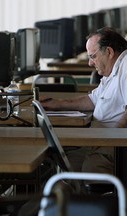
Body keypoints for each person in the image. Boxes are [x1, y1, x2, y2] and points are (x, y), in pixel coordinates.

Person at [40, 27, 127, 174]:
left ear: (109, 52)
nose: (90, 63)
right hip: (100, 140)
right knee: (63, 162)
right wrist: (58, 104)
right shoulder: (112, 70)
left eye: (93, 56)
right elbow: (93, 100)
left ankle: (96, 195)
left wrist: (112, 138)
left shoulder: (126, 66)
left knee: (84, 167)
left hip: (115, 145)